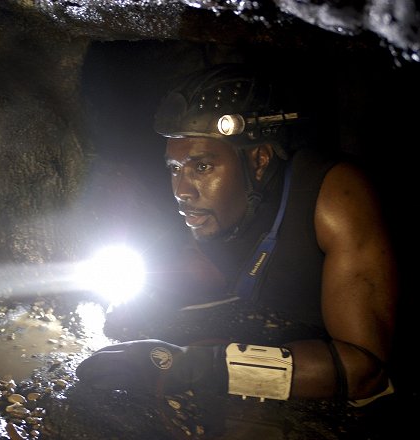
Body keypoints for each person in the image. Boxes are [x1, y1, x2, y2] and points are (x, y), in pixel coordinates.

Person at [76, 63, 398, 406]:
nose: (182, 190)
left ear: (259, 160)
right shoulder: (220, 210)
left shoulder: (337, 197)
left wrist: (196, 366)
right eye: (174, 169)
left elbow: (365, 371)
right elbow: (201, 271)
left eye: (202, 167)